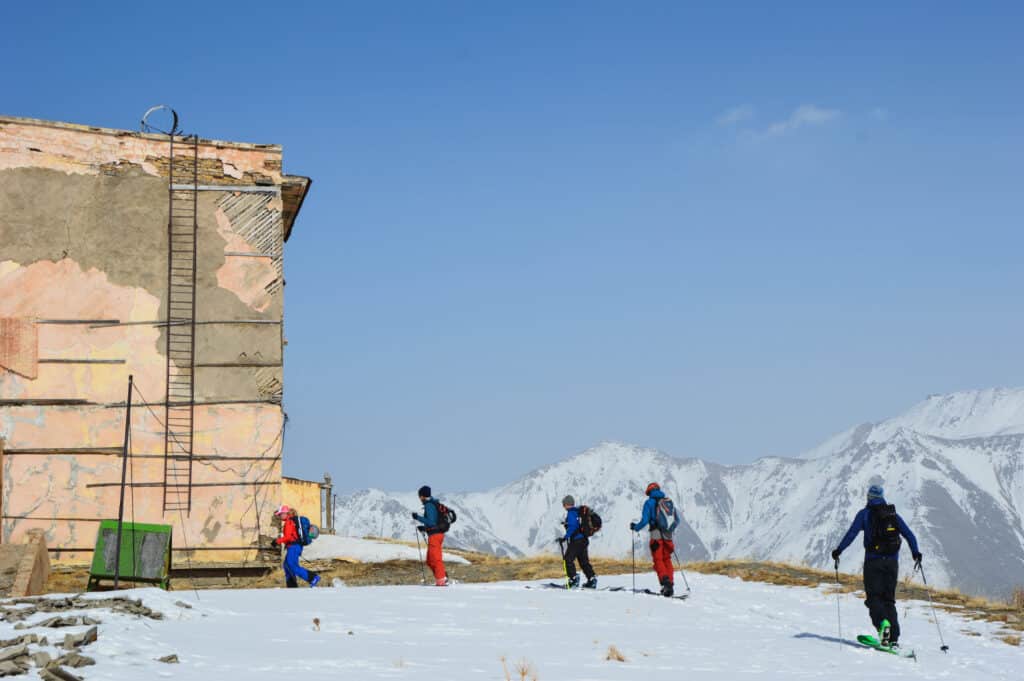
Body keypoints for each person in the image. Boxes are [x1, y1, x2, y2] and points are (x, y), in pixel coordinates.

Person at [831, 484, 922, 648]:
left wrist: (839, 550)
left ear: (869, 497)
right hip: (892, 563)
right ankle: (893, 639)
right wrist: (915, 552)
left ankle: (882, 626)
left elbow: (851, 534)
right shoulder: (893, 515)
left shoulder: (864, 514)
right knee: (889, 600)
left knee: (874, 598)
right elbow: (909, 534)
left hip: (873, 562)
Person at [629, 482, 679, 597]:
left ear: (649, 492)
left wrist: (635, 527)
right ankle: (670, 584)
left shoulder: (649, 503)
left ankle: (665, 583)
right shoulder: (668, 502)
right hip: (668, 534)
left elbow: (645, 520)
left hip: (656, 533)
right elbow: (677, 520)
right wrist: (669, 530)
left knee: (658, 559)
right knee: (667, 559)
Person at [273, 505, 320, 588]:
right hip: (294, 546)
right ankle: (292, 586)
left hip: (294, 546)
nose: (280, 516)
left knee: (292, 566)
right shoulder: (291, 521)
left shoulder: (289, 522)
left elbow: (288, 537)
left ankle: (313, 578)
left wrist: (277, 541)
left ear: (285, 513)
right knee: (286, 565)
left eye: (280, 514)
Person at [412, 485, 449, 586]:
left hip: (435, 535)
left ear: (422, 496)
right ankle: (441, 577)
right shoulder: (433, 504)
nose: (419, 498)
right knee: (429, 560)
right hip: (436, 534)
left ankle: (441, 579)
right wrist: (424, 528)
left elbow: (431, 522)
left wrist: (418, 517)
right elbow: (433, 522)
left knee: (436, 559)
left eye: (420, 496)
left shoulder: (429, 505)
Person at [559, 495, 597, 589]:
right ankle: (591, 579)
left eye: (564, 504)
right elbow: (577, 525)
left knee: (568, 559)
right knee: (584, 562)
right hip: (584, 540)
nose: (563, 506)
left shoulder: (571, 513)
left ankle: (573, 580)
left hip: (576, 541)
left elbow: (573, 526)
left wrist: (565, 537)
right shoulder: (578, 512)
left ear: (567, 504)